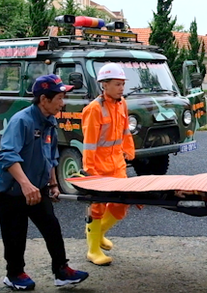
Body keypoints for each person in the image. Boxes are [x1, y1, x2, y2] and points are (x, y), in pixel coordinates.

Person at [0, 74, 88, 290]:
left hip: (36, 187)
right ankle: (14, 274)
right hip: (11, 189)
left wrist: (52, 184)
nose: (63, 103)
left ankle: (61, 271)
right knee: (16, 233)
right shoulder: (22, 121)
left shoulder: (50, 121)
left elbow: (50, 155)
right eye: (60, 98)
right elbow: (7, 155)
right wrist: (25, 184)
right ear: (44, 99)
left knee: (51, 226)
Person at [81, 63, 135, 266]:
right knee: (97, 208)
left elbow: (125, 131)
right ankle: (93, 250)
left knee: (121, 204)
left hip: (117, 164)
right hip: (99, 166)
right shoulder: (94, 109)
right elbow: (89, 143)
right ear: (104, 85)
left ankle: (98, 233)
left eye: (122, 84)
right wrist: (90, 170)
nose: (121, 88)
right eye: (117, 84)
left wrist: (129, 150)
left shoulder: (122, 104)